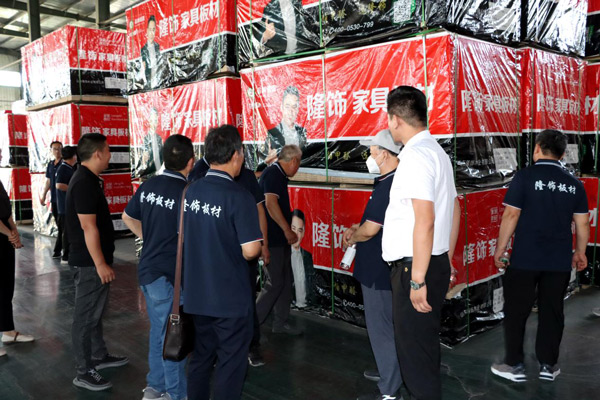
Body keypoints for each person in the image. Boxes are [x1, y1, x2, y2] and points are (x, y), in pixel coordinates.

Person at [490, 129, 589, 383]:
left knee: (517, 311)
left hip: (525, 259)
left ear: (537, 149)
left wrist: (500, 248)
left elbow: (511, 215)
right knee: (552, 311)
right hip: (558, 261)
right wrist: (580, 252)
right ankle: (548, 365)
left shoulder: (524, 177)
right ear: (563, 154)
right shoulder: (574, 184)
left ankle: (514, 365)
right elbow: (582, 223)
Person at [382, 86, 461, 400]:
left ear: (395, 119)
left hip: (415, 268)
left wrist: (417, 279)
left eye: (388, 119)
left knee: (414, 354)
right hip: (433, 262)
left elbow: (425, 219)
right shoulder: (437, 152)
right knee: (424, 347)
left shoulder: (415, 156)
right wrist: (445, 258)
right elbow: (454, 209)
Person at [183, 125, 263, 400]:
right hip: (229, 299)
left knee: (201, 358)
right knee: (230, 363)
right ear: (236, 154)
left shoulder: (191, 191)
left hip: (197, 296)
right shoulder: (239, 196)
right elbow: (251, 251)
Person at [123, 135, 194, 400]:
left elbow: (127, 216)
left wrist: (149, 238)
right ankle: (175, 394)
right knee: (174, 335)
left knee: (159, 332)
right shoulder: (188, 193)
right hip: (170, 278)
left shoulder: (148, 185)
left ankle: (155, 387)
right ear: (191, 162)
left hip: (149, 273)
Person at [188, 153, 271, 368]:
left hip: (239, 260)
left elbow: (259, 210)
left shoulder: (246, 177)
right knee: (211, 307)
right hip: (208, 257)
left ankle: (250, 345)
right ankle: (214, 352)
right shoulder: (197, 175)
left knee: (245, 301)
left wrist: (263, 244)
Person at [342, 129, 402, 400]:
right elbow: (373, 223)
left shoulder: (390, 185)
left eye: (373, 151)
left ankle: (389, 390)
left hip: (378, 269)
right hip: (382, 266)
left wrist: (355, 235)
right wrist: (358, 228)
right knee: (386, 326)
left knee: (381, 328)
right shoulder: (389, 181)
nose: (369, 156)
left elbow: (371, 230)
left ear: (385, 154)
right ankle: (388, 371)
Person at [66, 133, 128, 392]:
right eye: (108, 150)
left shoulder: (88, 179)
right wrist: (100, 263)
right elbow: (88, 227)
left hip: (92, 261)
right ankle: (83, 371)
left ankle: (98, 355)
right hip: (88, 263)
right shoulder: (83, 183)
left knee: (95, 313)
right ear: (98, 153)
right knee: (85, 317)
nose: (110, 155)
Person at [256, 145, 303, 335]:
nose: (298, 169)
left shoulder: (278, 174)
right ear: (294, 161)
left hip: (279, 239)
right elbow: (270, 204)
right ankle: (252, 324)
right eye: (299, 164)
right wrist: (287, 230)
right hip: (273, 238)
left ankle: (280, 322)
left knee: (284, 280)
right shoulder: (273, 174)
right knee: (275, 281)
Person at [0, 160, 33, 358]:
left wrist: (14, 231)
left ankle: (8, 331)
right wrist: (9, 233)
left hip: (5, 238)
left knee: (6, 287)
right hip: (2, 235)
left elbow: (6, 212)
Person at [252, 0, 317, 58]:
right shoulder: (270, 7)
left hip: (306, 53)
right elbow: (257, 32)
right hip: (280, 57)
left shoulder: (303, 4)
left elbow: (313, 27)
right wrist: (265, 36)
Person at [263, 86, 307, 164]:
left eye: (294, 107)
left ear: (298, 109)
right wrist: (268, 160)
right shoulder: (272, 133)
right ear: (281, 107)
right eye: (287, 106)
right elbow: (265, 161)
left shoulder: (302, 132)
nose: (290, 111)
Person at [40, 140, 63, 258]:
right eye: (55, 149)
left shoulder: (64, 164)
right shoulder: (50, 164)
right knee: (60, 225)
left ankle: (58, 249)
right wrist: (43, 195)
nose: (57, 151)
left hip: (63, 199)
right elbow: (48, 181)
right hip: (54, 199)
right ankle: (64, 247)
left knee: (62, 224)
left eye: (59, 149)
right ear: (51, 151)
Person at [55, 145, 77, 264]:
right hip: (64, 207)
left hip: (68, 206)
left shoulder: (69, 168)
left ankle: (61, 252)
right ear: (73, 156)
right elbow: (59, 185)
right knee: (66, 232)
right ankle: (65, 256)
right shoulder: (63, 169)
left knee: (67, 231)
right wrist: (73, 188)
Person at [290, 209, 315, 309]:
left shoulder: (307, 256)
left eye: (300, 230)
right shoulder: (283, 255)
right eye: (293, 229)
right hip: (290, 309)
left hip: (306, 309)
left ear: (303, 233)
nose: (296, 234)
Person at [141, 15, 162, 90]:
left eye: (153, 29)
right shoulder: (143, 50)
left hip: (158, 82)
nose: (151, 32)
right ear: (147, 30)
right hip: (148, 85)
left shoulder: (158, 47)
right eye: (150, 29)